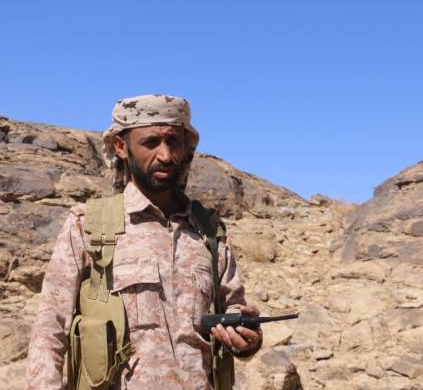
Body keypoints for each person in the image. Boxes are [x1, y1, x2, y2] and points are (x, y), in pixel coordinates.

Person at [26, 94, 262, 390]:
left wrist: (247, 339)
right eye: (151, 142)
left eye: (174, 141)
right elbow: (50, 329)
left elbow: (233, 310)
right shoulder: (88, 225)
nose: (166, 155)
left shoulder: (207, 230)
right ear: (121, 147)